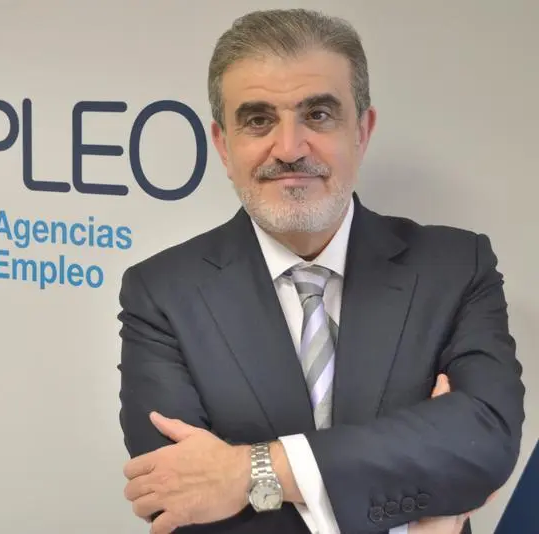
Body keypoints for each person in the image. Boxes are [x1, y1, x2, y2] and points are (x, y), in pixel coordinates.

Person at [116, 8, 525, 534]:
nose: (289, 149)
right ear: (223, 145)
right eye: (258, 120)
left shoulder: (455, 267)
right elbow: (175, 496)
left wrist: (249, 471)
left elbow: (484, 442)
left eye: (319, 114)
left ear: (363, 131)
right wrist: (416, 499)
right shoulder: (161, 293)